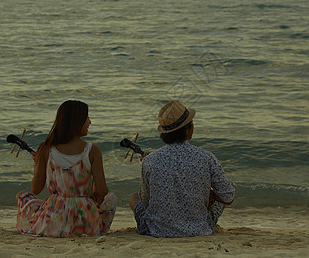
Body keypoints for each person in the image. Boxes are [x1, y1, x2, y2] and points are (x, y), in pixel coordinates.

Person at [129, 100, 235, 238]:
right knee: (219, 200)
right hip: (199, 230)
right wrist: (212, 195)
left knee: (133, 198)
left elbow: (146, 201)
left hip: (156, 230)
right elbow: (229, 197)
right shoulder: (207, 157)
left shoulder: (149, 160)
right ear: (187, 129)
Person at [16, 100, 117, 237]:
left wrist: (38, 163)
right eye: (87, 117)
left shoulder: (46, 148)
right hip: (85, 221)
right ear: (76, 121)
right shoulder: (92, 150)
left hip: (53, 219)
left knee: (23, 196)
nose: (90, 122)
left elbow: (36, 189)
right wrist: (87, 193)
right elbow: (102, 190)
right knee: (111, 198)